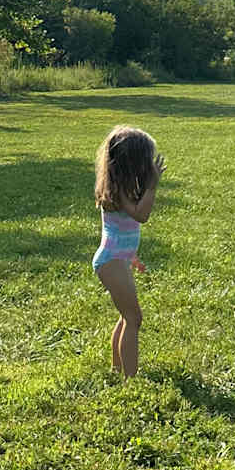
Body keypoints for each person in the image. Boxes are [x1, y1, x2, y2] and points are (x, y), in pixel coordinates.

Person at [92, 125, 165, 378]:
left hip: (117, 259)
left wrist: (131, 256)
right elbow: (141, 215)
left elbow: (119, 229)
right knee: (134, 319)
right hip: (110, 261)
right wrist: (153, 186)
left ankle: (117, 368)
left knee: (126, 318)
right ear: (132, 161)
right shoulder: (119, 190)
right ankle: (131, 381)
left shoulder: (122, 186)